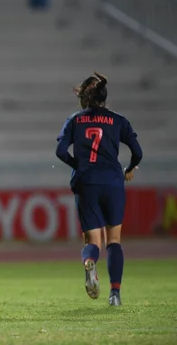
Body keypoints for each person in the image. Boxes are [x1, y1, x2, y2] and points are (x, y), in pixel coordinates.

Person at [55, 72, 142, 307]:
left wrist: (79, 165)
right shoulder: (118, 120)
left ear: (84, 98)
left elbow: (60, 152)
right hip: (113, 182)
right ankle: (115, 294)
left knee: (93, 241)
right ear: (104, 97)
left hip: (86, 183)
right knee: (114, 240)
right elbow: (138, 153)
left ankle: (89, 263)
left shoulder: (75, 120)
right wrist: (129, 168)